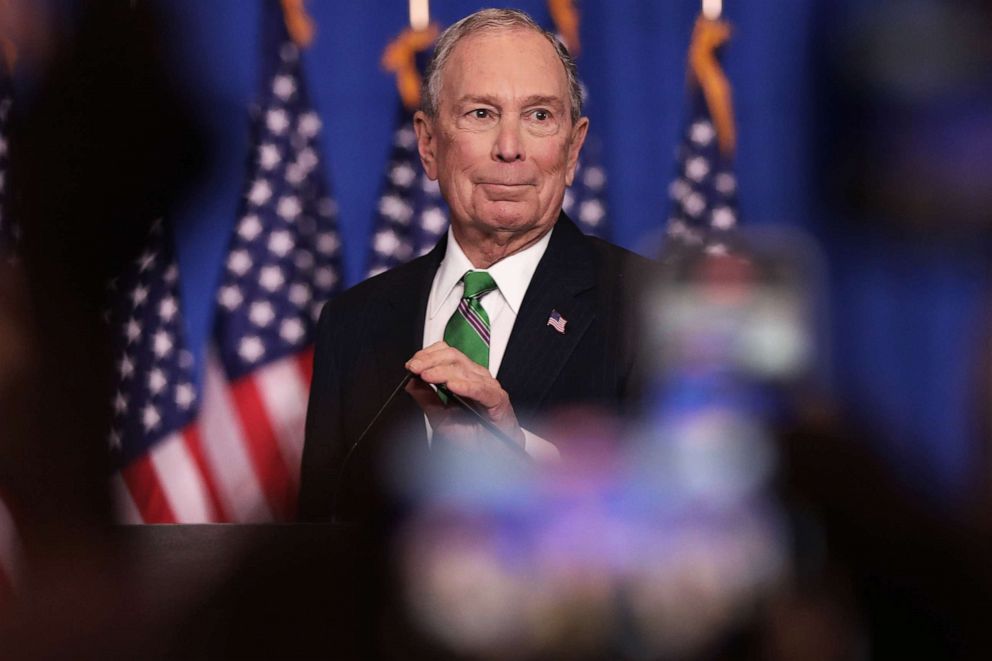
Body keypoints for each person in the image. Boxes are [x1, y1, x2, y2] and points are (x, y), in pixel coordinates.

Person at [299, 8, 655, 522]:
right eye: (481, 114)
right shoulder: (353, 324)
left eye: (538, 116)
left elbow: (687, 543)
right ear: (428, 144)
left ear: (573, 149)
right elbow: (318, 542)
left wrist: (515, 446)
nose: (510, 149)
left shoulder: (648, 307)